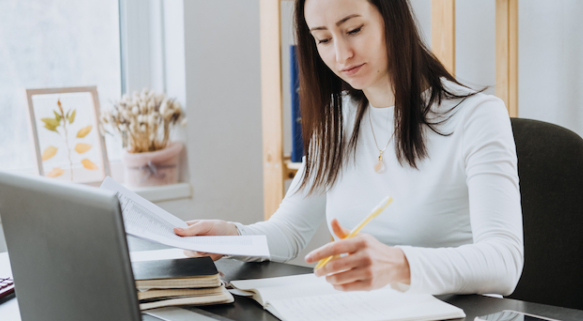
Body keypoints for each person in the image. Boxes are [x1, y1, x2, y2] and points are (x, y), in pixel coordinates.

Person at [174, 0, 523, 296]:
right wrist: (232, 236)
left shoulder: (476, 116)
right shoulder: (338, 117)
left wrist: (399, 264)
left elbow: (504, 261)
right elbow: (289, 232)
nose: (341, 55)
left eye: (354, 30)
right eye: (323, 39)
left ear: (393, 19)